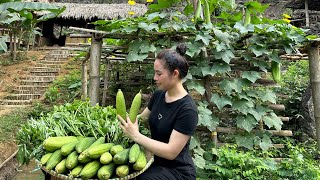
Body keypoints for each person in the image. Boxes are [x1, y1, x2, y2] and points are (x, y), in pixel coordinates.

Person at [117, 43, 198, 180]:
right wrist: (123, 123)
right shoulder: (159, 95)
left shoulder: (187, 109)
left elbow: (171, 152)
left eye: (159, 73)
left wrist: (136, 136)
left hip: (177, 171)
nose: (155, 77)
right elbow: (141, 119)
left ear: (175, 74)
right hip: (154, 162)